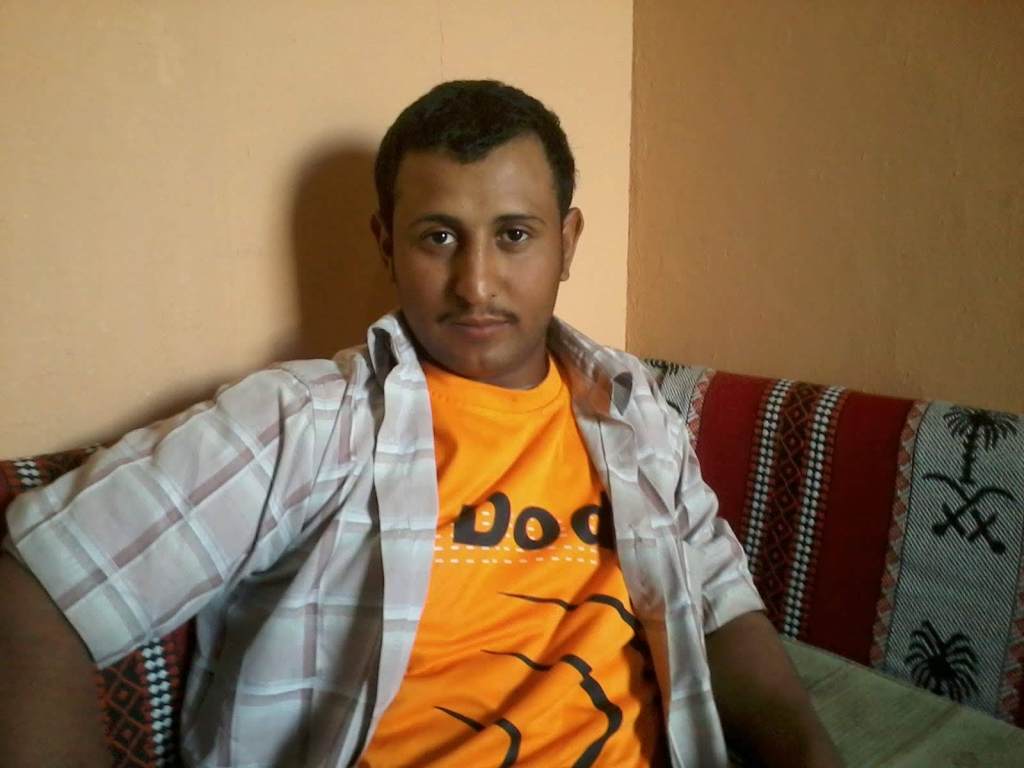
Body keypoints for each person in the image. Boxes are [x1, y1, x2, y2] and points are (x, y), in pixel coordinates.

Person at [0, 80, 841, 767]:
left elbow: (720, 604)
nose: (476, 283)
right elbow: (39, 587)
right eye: (439, 237)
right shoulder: (307, 423)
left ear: (568, 240)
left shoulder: (634, 410)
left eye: (514, 235)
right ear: (386, 243)